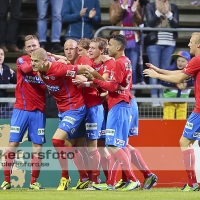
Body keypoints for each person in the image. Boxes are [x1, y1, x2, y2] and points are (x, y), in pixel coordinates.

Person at [31, 47, 104, 190]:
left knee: (57, 140)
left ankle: (65, 176)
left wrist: (103, 85)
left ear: (44, 61)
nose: (32, 64)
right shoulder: (41, 69)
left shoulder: (59, 69)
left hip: (75, 109)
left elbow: (86, 68)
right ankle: (83, 177)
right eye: (32, 61)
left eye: (35, 61)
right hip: (63, 110)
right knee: (70, 146)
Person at [143, 32, 200, 191]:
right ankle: (193, 183)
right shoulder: (196, 61)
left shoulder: (197, 59)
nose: (189, 45)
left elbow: (178, 79)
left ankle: (192, 183)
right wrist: (159, 70)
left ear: (198, 45)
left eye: (191, 42)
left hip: (199, 111)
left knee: (184, 142)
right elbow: (179, 73)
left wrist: (155, 75)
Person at [85, 34, 140, 191]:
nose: (107, 47)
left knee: (113, 145)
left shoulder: (118, 63)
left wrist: (94, 80)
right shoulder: (127, 61)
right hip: (123, 104)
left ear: (119, 47)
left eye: (110, 44)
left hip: (118, 105)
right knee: (120, 146)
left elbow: (112, 87)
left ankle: (133, 179)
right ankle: (111, 183)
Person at [0, 35, 46, 190]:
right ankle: (7, 180)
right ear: (26, 49)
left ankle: (34, 182)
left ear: (39, 45)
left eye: (34, 46)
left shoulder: (48, 63)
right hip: (21, 109)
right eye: (29, 47)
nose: (32, 49)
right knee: (13, 144)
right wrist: (43, 64)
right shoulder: (21, 60)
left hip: (38, 111)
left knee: (37, 147)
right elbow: (27, 69)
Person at [144, 0, 179, 106]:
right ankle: (154, 98)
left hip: (169, 43)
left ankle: (163, 97)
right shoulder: (150, 6)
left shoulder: (173, 6)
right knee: (154, 69)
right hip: (154, 43)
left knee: (165, 71)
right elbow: (149, 23)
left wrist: (168, 13)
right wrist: (158, 12)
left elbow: (176, 24)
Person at [109, 0, 145, 88]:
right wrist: (123, 8)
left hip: (134, 39)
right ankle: (120, 89)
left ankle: (132, 92)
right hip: (119, 40)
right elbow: (113, 20)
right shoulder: (115, 4)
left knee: (132, 67)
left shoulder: (135, 3)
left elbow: (140, 22)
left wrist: (134, 10)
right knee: (120, 66)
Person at [160, 51, 193, 119]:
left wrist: (186, 84)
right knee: (168, 121)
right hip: (169, 100)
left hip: (183, 100)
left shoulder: (191, 71)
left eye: (183, 61)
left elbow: (195, 81)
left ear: (188, 62)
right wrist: (176, 84)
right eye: (178, 60)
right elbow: (162, 81)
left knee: (181, 122)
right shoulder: (169, 70)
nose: (180, 63)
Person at [0, 48, 16, 118]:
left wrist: (13, 75)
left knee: (15, 112)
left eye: (2, 54)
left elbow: (15, 81)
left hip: (5, 104)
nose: (0, 56)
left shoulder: (6, 68)